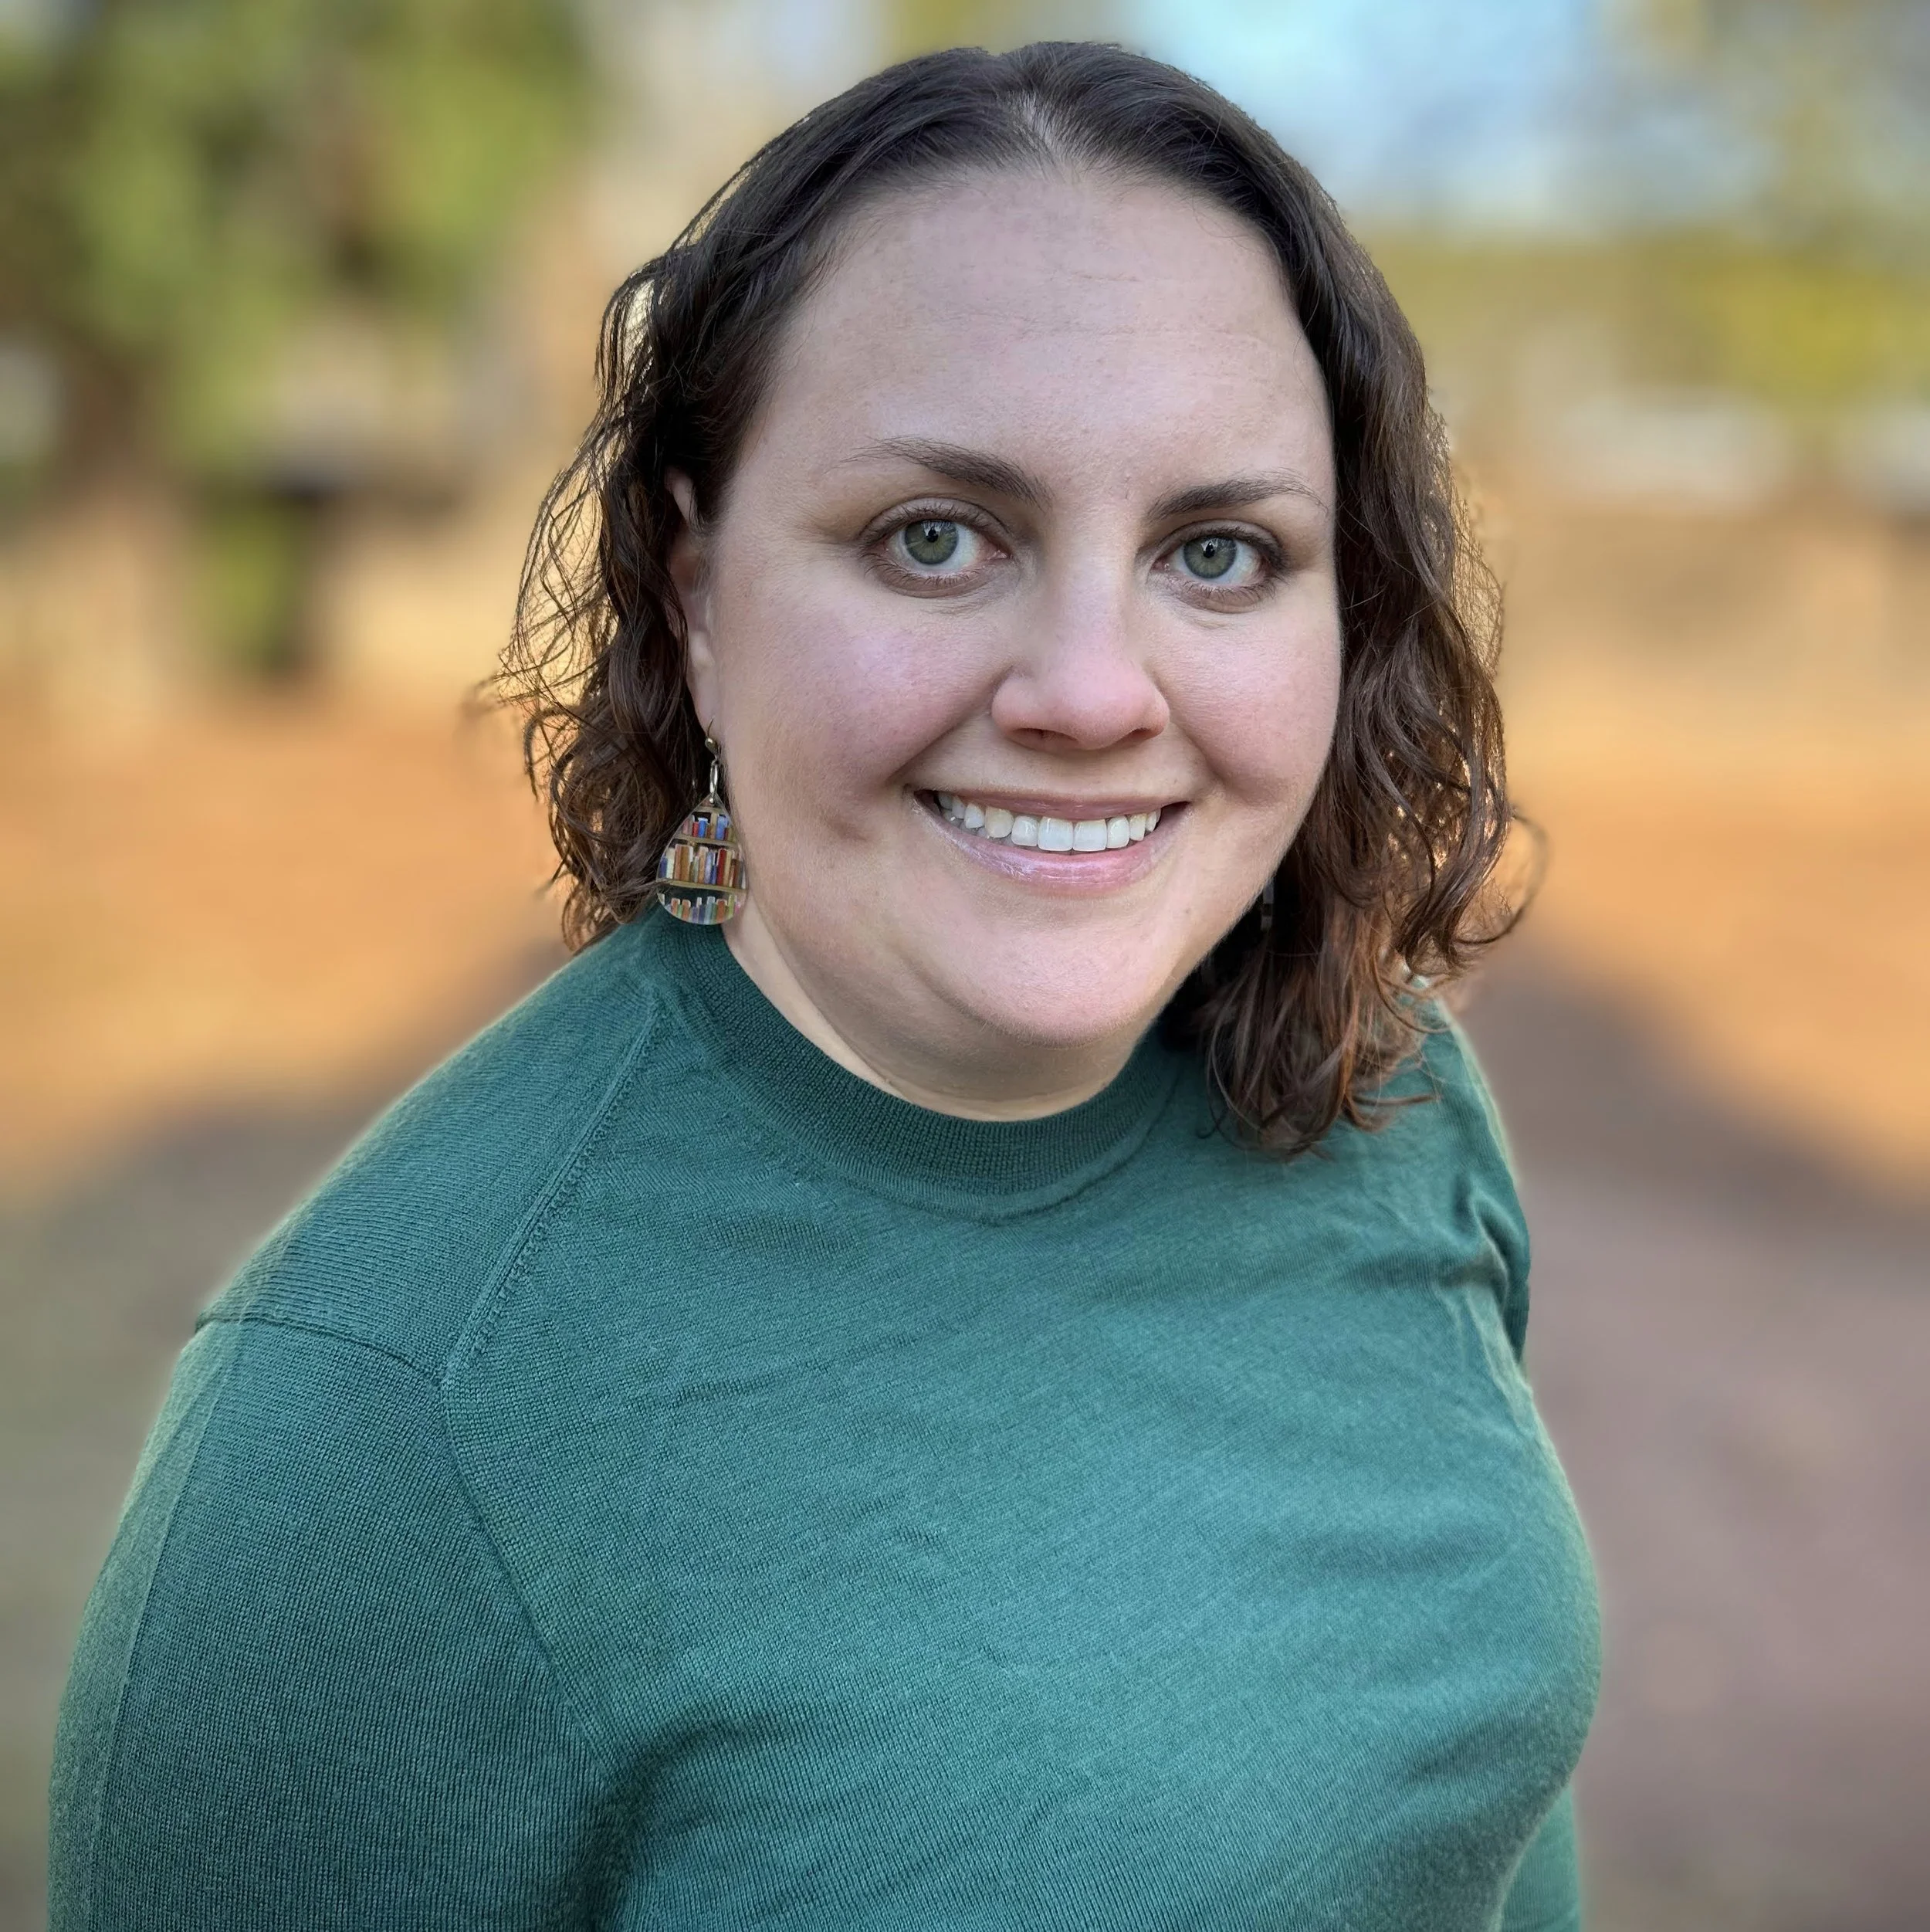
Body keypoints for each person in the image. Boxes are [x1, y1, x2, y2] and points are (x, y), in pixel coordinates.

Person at [49, 41, 1599, 1932]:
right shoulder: (384, 1431)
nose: (1093, 692)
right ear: (697, 594)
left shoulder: (1389, 1093)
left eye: (1218, 552)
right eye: (933, 540)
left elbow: (1485, 1831)